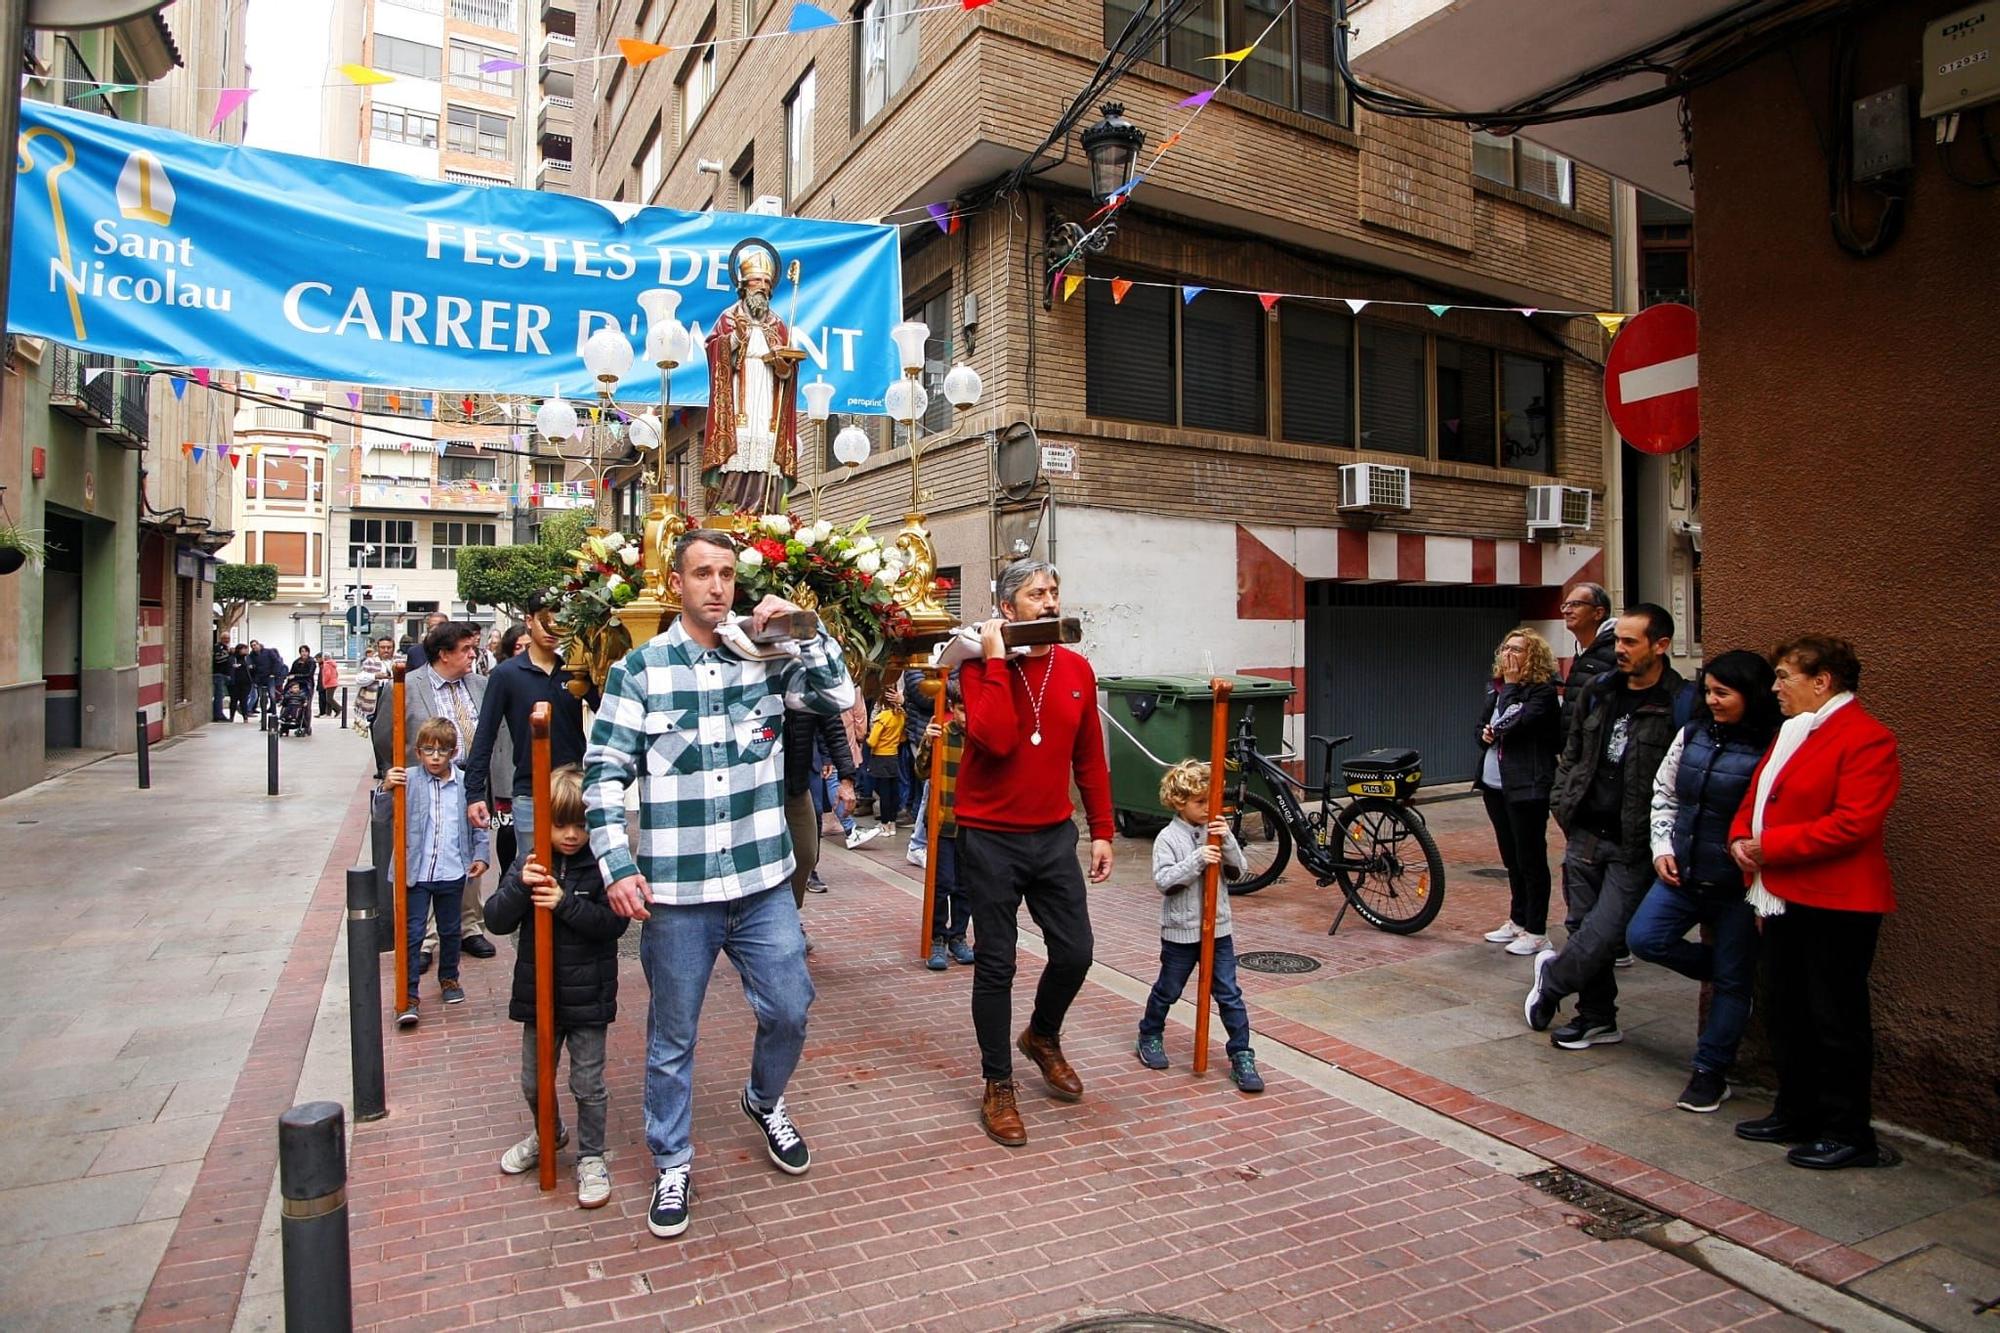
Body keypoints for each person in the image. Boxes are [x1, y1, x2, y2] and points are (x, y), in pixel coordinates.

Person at [583, 528, 853, 1240]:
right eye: (702, 572)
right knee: (673, 1038)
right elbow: (603, 776)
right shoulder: (640, 669)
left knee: (791, 1007)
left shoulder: (764, 658)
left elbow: (838, 694)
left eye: (727, 573)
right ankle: (672, 1159)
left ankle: (764, 1098)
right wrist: (616, 865)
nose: (717, 585)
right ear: (677, 583)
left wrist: (803, 626)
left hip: (762, 880)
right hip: (677, 892)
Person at [956, 560, 1114, 1148]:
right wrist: (996, 659)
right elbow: (995, 739)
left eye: (1053, 592)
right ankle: (998, 1083)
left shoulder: (1076, 668)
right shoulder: (974, 666)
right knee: (997, 962)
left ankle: (1042, 1036)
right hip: (989, 835)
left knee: (1076, 952)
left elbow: (1089, 756)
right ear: (1008, 609)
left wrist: (1101, 828)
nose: (1048, 602)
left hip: (1053, 835)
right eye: (1035, 594)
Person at [1730, 636, 1901, 1170]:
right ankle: (1797, 1111)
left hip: (1838, 904)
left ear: (1822, 680)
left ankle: (1849, 1131)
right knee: (1786, 1011)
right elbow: (1758, 796)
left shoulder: (1867, 739)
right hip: (1781, 894)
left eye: (1784, 677)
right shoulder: (1793, 733)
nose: (1775, 687)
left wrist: (1769, 848)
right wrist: (1740, 839)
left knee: (1835, 1018)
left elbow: (1853, 823)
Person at [1527, 604, 1692, 1047]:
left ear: (1660, 646)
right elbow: (1575, 750)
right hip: (1584, 829)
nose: (1619, 649)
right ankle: (1597, 1015)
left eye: (1630, 642)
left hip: (1632, 841)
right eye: (1617, 640)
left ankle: (1554, 977)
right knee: (1583, 927)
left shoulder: (1679, 702)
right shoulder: (1599, 690)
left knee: (1605, 932)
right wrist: (1564, 806)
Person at [1628, 649, 1780, 1114]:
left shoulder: (1771, 746)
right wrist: (1662, 849)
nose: (1711, 700)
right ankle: (1727, 971)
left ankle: (1709, 1072)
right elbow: (1665, 792)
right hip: (1685, 873)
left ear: (1750, 696)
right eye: (1708, 691)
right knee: (1644, 938)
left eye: (1723, 693)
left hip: (1739, 888)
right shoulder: (1692, 733)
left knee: (1733, 989)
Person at [484, 764, 628, 1209]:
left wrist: (565, 905)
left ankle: (590, 1155)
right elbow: (495, 918)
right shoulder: (530, 863)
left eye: (581, 825)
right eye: (561, 823)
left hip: (588, 998)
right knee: (534, 1081)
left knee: (587, 1083)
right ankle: (549, 1132)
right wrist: (520, 890)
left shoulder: (603, 867)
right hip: (539, 994)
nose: (571, 834)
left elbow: (613, 924)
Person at [373, 619, 498, 965]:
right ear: (444, 654)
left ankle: (470, 927)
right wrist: (397, 775)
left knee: (468, 848)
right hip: (424, 784)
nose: (473, 655)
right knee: (428, 850)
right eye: (466, 650)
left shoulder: (480, 685)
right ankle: (427, 938)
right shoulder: (408, 686)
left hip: (469, 782)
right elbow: (385, 735)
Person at [1135, 759, 1263, 1092]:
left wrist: (1228, 841)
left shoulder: (1216, 829)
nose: (1208, 809)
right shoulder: (1168, 838)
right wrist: (1197, 860)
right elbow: (1164, 881)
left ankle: (1241, 1054)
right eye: (1200, 802)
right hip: (1181, 932)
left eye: (1212, 801)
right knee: (1169, 988)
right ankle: (1149, 1033)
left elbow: (1238, 869)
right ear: (1180, 802)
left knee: (1229, 994)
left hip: (1218, 929)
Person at [466, 594, 597, 873]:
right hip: (529, 792)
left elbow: (608, 711)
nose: (552, 628)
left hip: (575, 790)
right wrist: (475, 793)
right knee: (533, 873)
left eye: (560, 621)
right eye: (544, 620)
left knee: (580, 874)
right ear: (529, 621)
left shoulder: (574, 670)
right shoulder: (506, 674)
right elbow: (485, 734)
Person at [384, 716, 491, 1028]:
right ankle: (409, 993)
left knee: (450, 929)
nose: (434, 757)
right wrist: (385, 787)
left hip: (451, 869)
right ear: (418, 753)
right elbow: (381, 814)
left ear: (452, 753)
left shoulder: (464, 784)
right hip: (416, 871)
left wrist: (481, 854)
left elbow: (478, 821)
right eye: (428, 750)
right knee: (413, 932)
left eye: (441, 751)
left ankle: (449, 978)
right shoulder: (409, 780)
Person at [1475, 628, 1563, 957]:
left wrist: (1511, 687)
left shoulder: (1541, 693)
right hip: (1494, 784)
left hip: (1527, 785)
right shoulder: (1495, 689)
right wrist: (1483, 735)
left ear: (1533, 657)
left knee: (1531, 858)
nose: (1509, 655)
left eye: (1519, 650)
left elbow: (1513, 722)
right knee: (1511, 858)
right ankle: (1518, 918)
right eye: (1507, 648)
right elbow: (1484, 726)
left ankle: (1537, 930)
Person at [702, 246, 799, 513]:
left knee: (765, 449)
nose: (763, 287)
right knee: (739, 449)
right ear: (743, 285)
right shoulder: (730, 317)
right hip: (737, 393)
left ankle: (765, 510)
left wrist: (783, 366)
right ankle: (731, 509)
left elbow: (786, 374)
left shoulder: (777, 323)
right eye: (757, 281)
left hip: (767, 394)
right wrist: (734, 338)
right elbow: (713, 349)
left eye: (767, 282)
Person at [783, 700, 857, 922]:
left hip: (794, 784)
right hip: (755, 788)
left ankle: (789, 916)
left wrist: (846, 780)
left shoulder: (805, 678)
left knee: (805, 854)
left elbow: (833, 728)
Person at [917, 686, 974, 970]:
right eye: (963, 709)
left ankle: (958, 935)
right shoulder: (942, 732)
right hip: (943, 821)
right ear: (954, 707)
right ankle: (937, 936)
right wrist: (928, 742)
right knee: (942, 884)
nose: (967, 716)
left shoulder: (982, 737)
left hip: (973, 824)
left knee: (966, 887)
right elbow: (921, 770)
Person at [1558, 582, 1616, 727]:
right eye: (1564, 606)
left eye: (1575, 604)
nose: (1566, 611)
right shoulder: (1581, 653)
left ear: (1598, 613)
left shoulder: (1616, 651)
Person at [863, 687, 907, 840]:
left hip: (880, 758)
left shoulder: (882, 717)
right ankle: (893, 824)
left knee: (884, 794)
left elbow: (873, 740)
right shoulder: (900, 716)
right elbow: (902, 738)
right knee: (893, 791)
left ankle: (884, 825)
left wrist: (867, 739)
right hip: (893, 756)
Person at [352, 637, 394, 739]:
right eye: (383, 647)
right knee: (377, 734)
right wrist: (375, 676)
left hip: (394, 698)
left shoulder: (399, 661)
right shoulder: (370, 661)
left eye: (389, 647)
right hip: (375, 700)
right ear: (378, 648)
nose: (386, 650)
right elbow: (359, 679)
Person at [227, 643, 254, 722]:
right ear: (239, 650)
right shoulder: (232, 658)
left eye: (246, 649)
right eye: (244, 649)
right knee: (234, 700)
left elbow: (252, 667)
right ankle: (231, 717)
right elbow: (228, 667)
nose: (246, 650)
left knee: (244, 700)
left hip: (246, 682)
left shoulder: (248, 658)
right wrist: (233, 666)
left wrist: (251, 667)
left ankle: (245, 717)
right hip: (234, 682)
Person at [211, 633, 232, 723]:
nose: (227, 640)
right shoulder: (218, 647)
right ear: (221, 638)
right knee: (219, 695)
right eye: (225, 638)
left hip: (223, 675)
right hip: (218, 675)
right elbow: (218, 659)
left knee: (221, 695)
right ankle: (218, 715)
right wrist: (228, 655)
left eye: (228, 638)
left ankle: (219, 714)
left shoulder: (226, 647)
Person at [317, 652, 341, 717]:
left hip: (329, 683)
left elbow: (327, 674)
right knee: (328, 698)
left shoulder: (326, 664)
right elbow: (336, 673)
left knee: (329, 699)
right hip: (333, 683)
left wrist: (324, 682)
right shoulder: (332, 664)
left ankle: (339, 709)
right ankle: (328, 713)